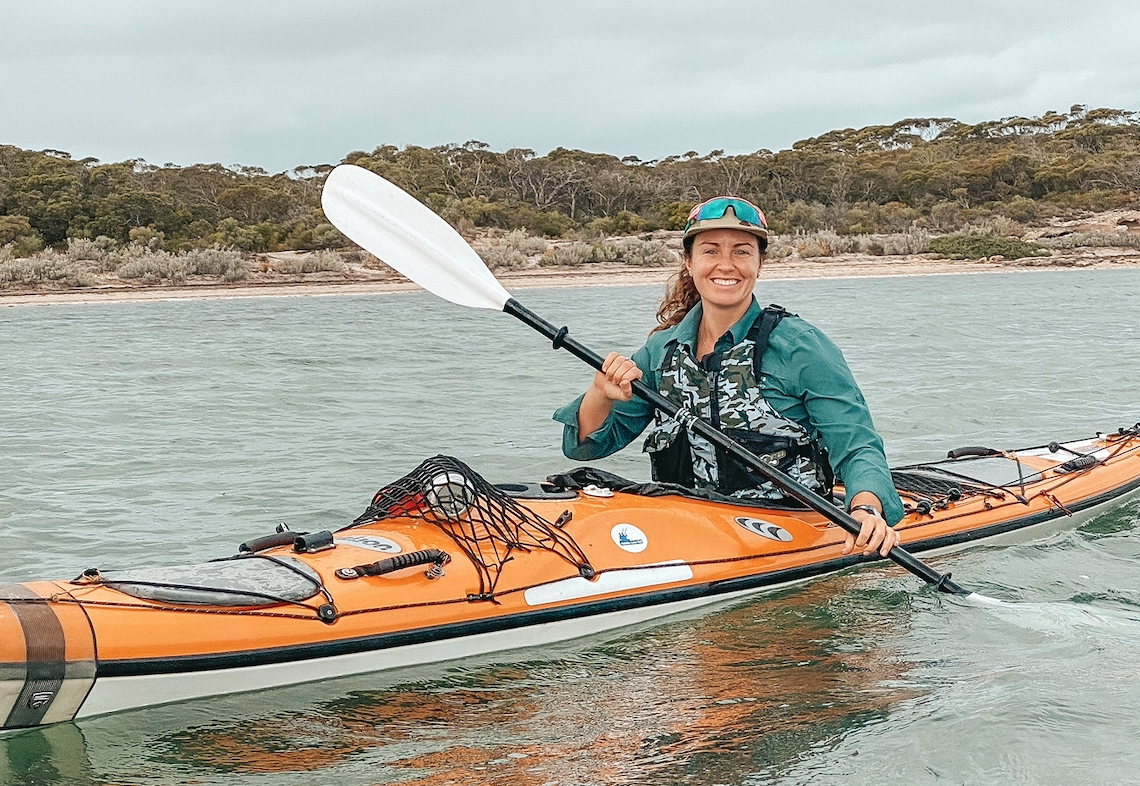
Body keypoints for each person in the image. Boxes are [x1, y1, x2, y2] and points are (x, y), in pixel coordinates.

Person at [553, 196, 902, 557]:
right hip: (688, 529)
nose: (726, 265)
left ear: (759, 263)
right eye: (710, 251)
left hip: (790, 528)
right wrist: (600, 392)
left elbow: (856, 443)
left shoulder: (802, 347)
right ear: (688, 262)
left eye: (741, 251)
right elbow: (585, 446)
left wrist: (866, 508)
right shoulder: (662, 350)